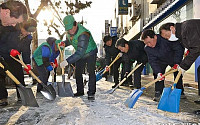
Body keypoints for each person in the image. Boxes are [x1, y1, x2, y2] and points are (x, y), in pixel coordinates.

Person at [159, 21, 200, 114]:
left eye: (167, 35)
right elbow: (194, 45)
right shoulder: (182, 34)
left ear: (172, 28)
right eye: (165, 38)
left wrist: (184, 65)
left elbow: (197, 47)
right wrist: (188, 52)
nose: (167, 38)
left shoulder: (187, 28)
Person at [60, 15, 98, 100]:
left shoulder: (84, 33)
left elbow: (80, 53)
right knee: (78, 72)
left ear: (76, 24)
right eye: (68, 29)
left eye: (71, 28)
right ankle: (80, 91)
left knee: (90, 71)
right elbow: (70, 40)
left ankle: (91, 93)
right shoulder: (68, 32)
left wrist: (67, 61)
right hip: (80, 52)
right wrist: (64, 44)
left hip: (90, 52)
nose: (70, 31)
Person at [141, 29, 185, 102]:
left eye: (149, 42)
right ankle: (159, 92)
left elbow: (178, 49)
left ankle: (180, 90)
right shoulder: (147, 48)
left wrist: (177, 62)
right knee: (157, 74)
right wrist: (158, 72)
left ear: (155, 37)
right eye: (146, 43)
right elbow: (152, 61)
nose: (149, 45)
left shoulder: (165, 39)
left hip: (173, 58)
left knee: (178, 73)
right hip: (160, 61)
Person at [0, 0, 28, 106]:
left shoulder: (7, 25)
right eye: (15, 21)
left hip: (9, 54)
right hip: (4, 52)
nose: (14, 25)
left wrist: (27, 63)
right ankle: (2, 97)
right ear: (6, 12)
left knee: (17, 72)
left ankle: (22, 95)